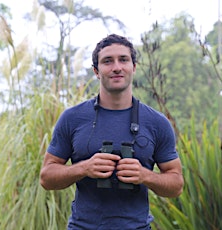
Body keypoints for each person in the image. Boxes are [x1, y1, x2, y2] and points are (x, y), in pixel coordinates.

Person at [40, 34, 184, 229]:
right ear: (96, 71)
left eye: (123, 59)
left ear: (133, 67)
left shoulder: (157, 123)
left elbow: (176, 184)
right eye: (107, 61)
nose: (117, 67)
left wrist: (145, 175)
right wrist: (84, 168)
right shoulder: (73, 118)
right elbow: (46, 177)